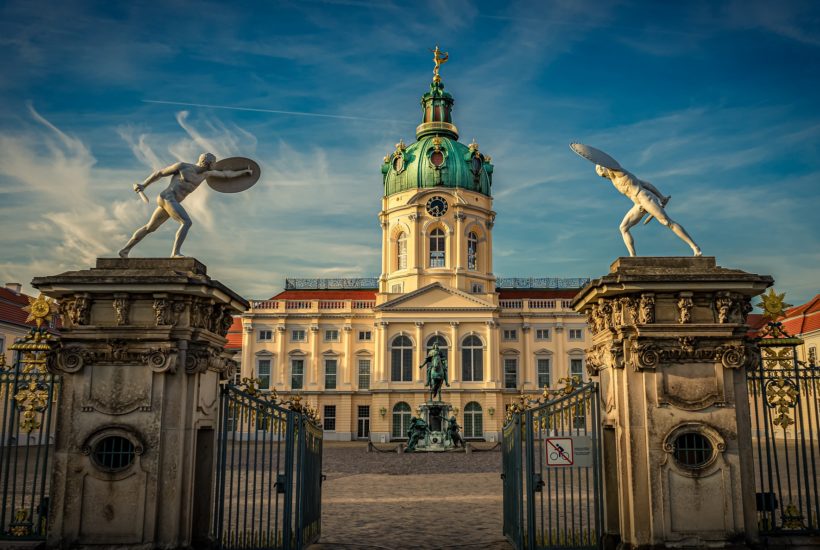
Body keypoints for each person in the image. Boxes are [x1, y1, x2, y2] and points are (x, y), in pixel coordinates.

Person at [118, 153, 252, 258]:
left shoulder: (205, 174)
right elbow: (159, 173)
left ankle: (125, 250)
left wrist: (244, 172)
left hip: (171, 201)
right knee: (186, 222)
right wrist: (144, 185)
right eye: (214, 163)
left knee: (149, 228)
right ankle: (175, 253)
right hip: (167, 197)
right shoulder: (183, 166)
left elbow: (225, 174)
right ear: (209, 163)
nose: (215, 166)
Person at [595, 164, 701, 257]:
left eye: (602, 171)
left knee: (666, 222)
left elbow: (646, 186)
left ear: (606, 167)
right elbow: (645, 183)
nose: (603, 175)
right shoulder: (614, 182)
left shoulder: (620, 172)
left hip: (645, 197)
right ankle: (633, 257)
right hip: (638, 204)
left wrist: (661, 197)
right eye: (601, 175)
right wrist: (661, 197)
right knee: (623, 228)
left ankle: (695, 247)